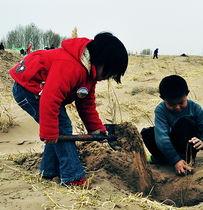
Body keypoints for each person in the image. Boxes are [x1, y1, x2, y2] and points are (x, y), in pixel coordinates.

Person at [10, 32, 128, 186]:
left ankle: (49, 171)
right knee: (61, 127)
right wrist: (49, 132)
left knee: (59, 127)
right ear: (100, 60)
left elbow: (86, 103)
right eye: (109, 72)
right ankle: (72, 177)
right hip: (28, 88)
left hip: (44, 92)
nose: (107, 77)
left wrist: (96, 129)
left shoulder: (89, 74)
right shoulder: (70, 66)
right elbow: (50, 99)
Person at [141, 75, 203, 176]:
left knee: (184, 122)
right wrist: (175, 160)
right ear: (163, 99)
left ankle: (185, 159)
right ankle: (160, 158)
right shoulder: (161, 110)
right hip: (169, 146)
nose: (177, 107)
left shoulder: (195, 107)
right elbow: (162, 138)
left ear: (187, 94)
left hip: (186, 145)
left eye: (181, 103)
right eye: (171, 104)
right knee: (147, 133)